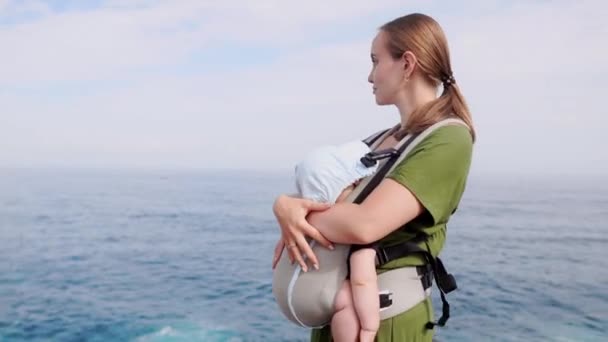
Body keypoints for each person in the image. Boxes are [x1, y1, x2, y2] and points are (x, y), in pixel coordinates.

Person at [272, 12, 475, 342]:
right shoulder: (379, 139)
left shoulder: (449, 138)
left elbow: (365, 224)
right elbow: (330, 197)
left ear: (407, 64)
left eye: (375, 61)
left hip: (388, 325)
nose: (370, 76)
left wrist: (295, 213)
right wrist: (284, 205)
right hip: (337, 316)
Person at [293, 139, 382, 342]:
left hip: (296, 291)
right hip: (319, 297)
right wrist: (369, 326)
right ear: (353, 183)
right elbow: (362, 281)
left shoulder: (306, 218)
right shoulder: (350, 228)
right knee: (348, 302)